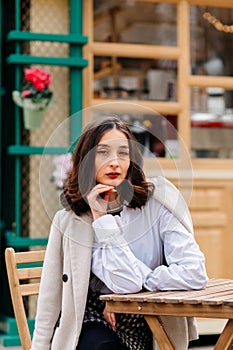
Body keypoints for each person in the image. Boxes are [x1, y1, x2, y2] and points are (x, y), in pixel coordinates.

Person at [31, 116, 208, 350]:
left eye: (123, 153)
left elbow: (194, 272)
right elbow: (50, 298)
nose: (114, 162)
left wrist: (136, 285)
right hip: (90, 318)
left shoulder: (157, 201)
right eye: (103, 152)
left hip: (149, 319)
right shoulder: (68, 221)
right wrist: (100, 217)